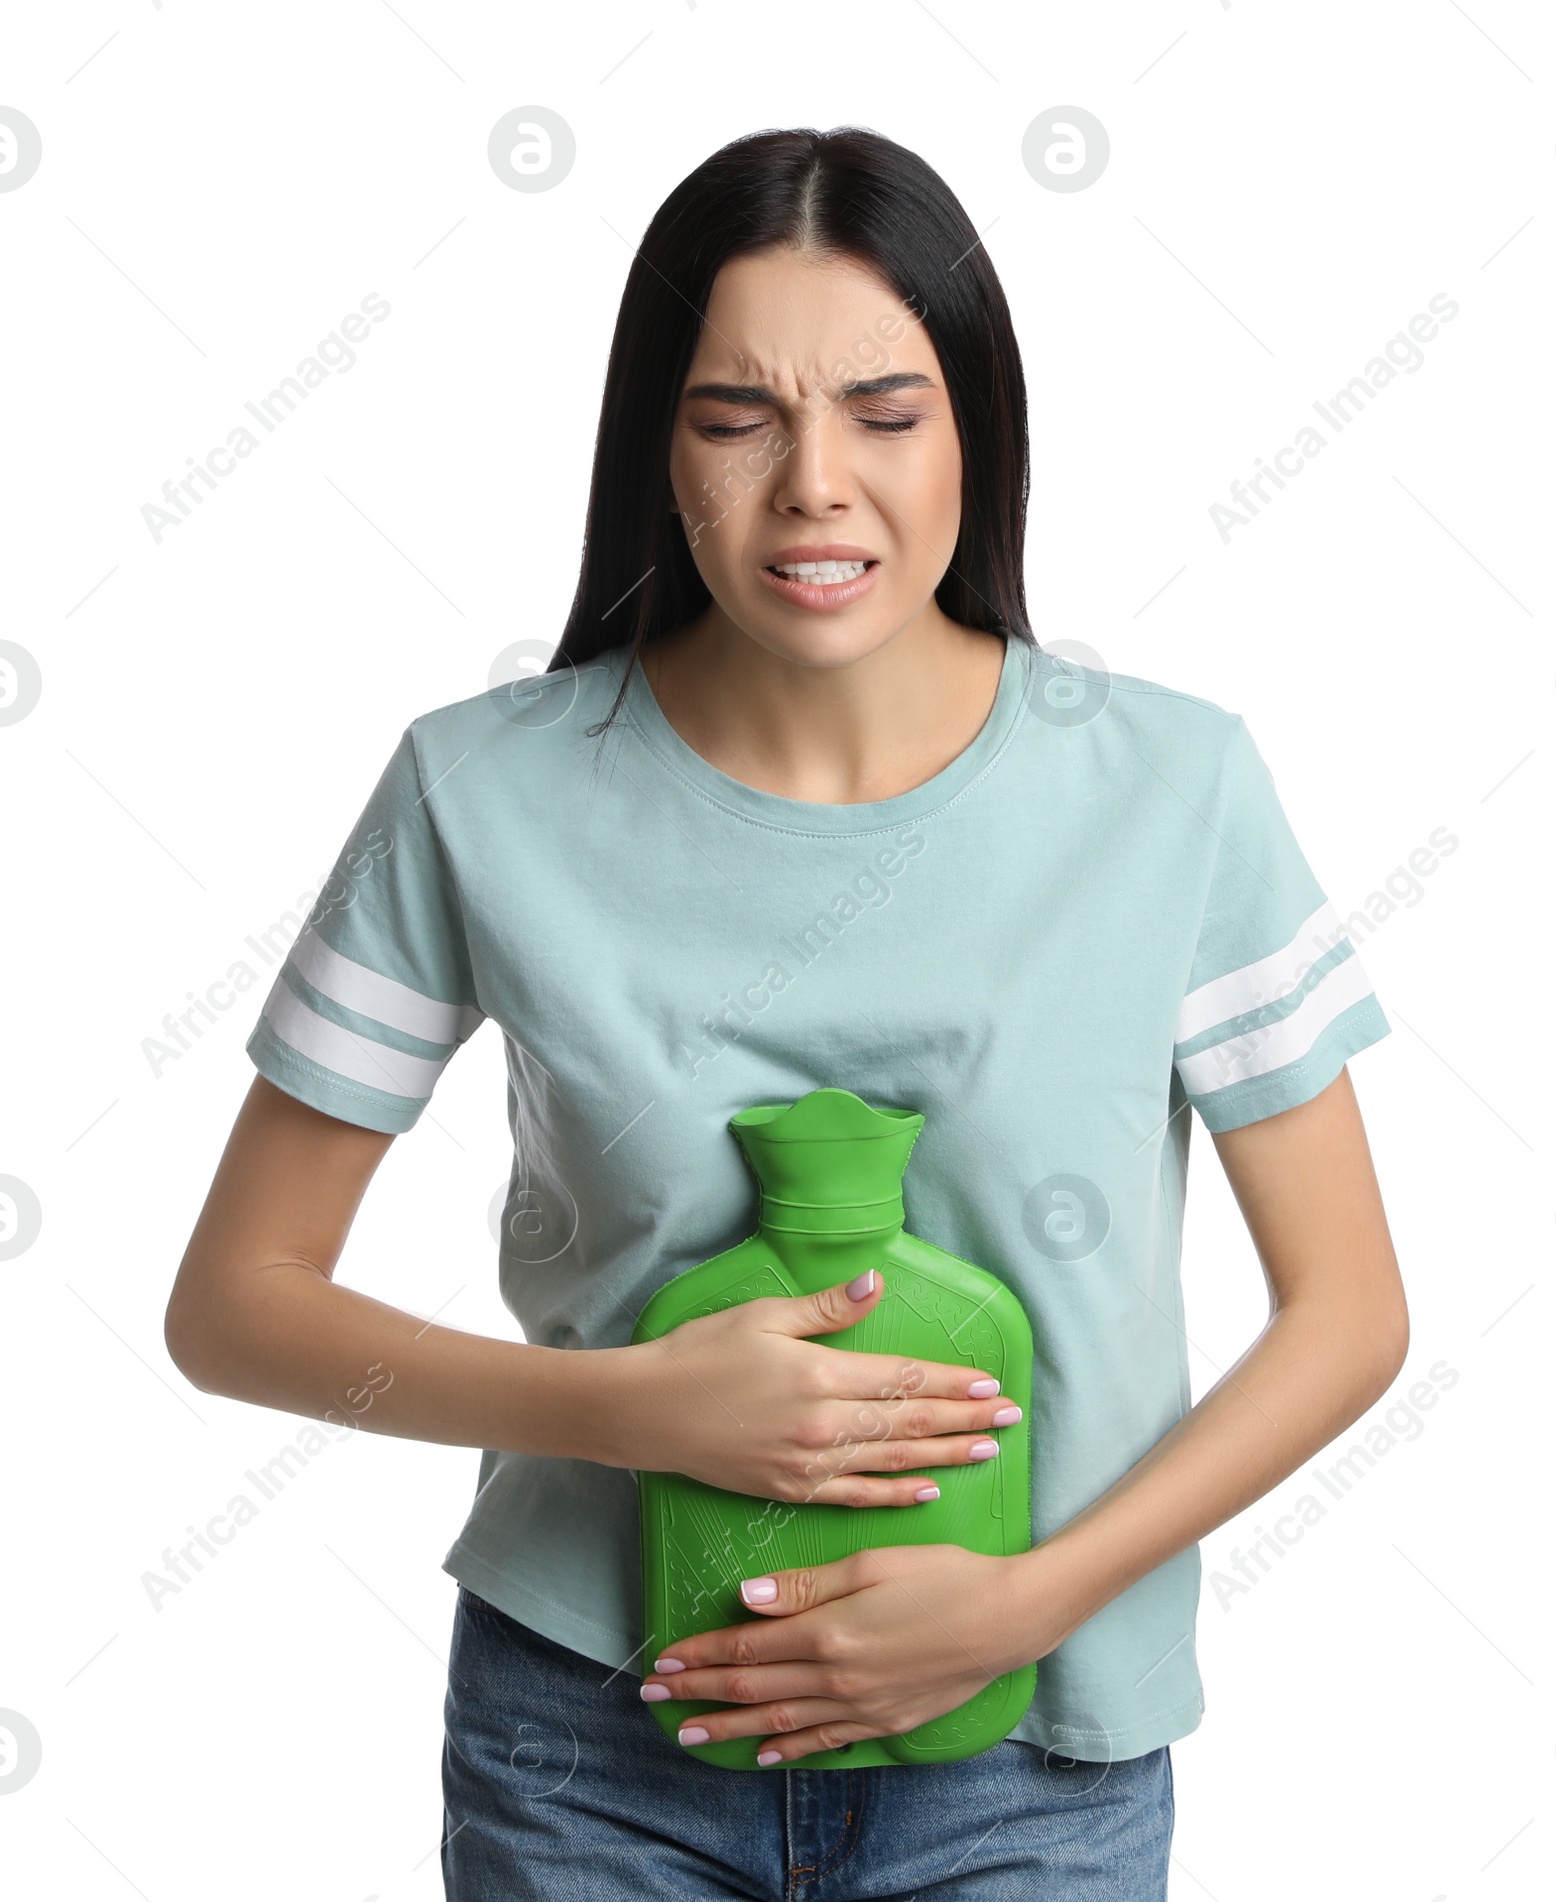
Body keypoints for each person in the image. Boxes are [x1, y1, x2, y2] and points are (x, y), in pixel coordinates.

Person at [164, 125, 1408, 1900]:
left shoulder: (1174, 790)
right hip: (593, 1745)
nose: (816, 482)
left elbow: (1351, 1312)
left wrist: (1027, 1603)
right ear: (652, 442)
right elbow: (235, 1305)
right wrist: (631, 1409)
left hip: (1032, 1760)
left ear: (978, 430)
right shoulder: (479, 790)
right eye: (737, 416)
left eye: (888, 414)